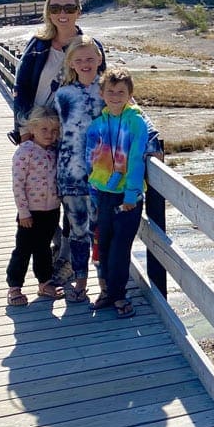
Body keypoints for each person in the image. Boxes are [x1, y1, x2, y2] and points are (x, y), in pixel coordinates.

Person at [54, 38, 161, 305]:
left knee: (100, 234)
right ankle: (80, 280)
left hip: (102, 179)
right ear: (70, 63)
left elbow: (139, 118)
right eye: (78, 60)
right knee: (77, 231)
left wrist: (154, 144)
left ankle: (105, 286)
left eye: (90, 58)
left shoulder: (109, 89)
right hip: (71, 173)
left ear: (99, 59)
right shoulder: (63, 95)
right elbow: (49, 124)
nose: (85, 64)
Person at [10, 0, 105, 282]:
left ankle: (64, 259)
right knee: (40, 194)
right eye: (55, 8)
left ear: (78, 10)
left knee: (70, 198)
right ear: (48, 12)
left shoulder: (88, 45)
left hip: (74, 138)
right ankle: (46, 250)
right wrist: (25, 130)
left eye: (68, 8)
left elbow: (103, 90)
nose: (62, 14)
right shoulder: (37, 45)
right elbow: (21, 89)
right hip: (39, 133)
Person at [85, 67, 150, 318]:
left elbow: (136, 160)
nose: (115, 96)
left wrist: (131, 196)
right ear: (102, 93)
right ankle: (109, 292)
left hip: (127, 197)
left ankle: (119, 294)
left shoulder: (136, 122)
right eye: (110, 92)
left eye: (121, 92)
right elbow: (90, 157)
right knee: (106, 244)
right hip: (102, 193)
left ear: (129, 94)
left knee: (121, 247)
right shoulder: (98, 124)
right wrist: (93, 187)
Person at [6, 108, 63, 307]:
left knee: (43, 249)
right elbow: (18, 184)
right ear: (33, 129)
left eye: (55, 130)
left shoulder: (55, 151)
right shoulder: (25, 152)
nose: (50, 134)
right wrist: (23, 212)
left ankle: (44, 282)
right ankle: (14, 287)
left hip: (52, 210)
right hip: (30, 212)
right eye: (44, 129)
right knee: (23, 249)